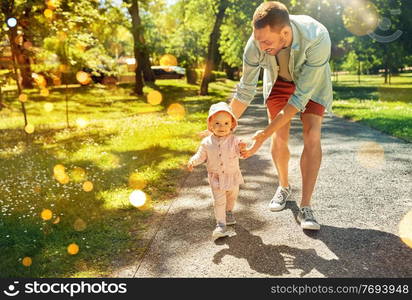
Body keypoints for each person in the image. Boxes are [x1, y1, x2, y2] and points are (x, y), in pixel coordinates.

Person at [230, 1, 333, 230]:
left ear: (285, 33)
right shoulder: (256, 44)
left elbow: (299, 99)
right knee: (280, 135)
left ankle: (306, 206)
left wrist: (261, 136)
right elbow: (245, 90)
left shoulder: (317, 36)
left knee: (312, 134)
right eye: (258, 40)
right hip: (279, 80)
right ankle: (284, 187)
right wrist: (219, 126)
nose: (261, 45)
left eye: (267, 41)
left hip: (311, 83)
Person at [188, 102, 246, 240]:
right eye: (218, 123)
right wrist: (193, 161)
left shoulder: (234, 140)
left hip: (232, 176)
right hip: (216, 178)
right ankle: (220, 225)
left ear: (232, 124)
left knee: (232, 196)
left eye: (226, 123)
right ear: (210, 124)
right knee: (219, 201)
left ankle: (229, 211)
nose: (222, 127)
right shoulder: (206, 142)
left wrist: (242, 148)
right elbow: (200, 155)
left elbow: (241, 153)